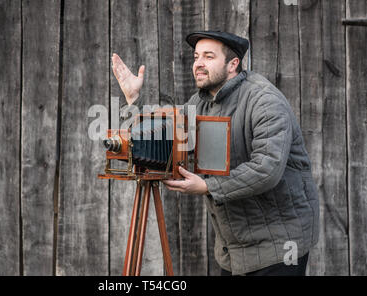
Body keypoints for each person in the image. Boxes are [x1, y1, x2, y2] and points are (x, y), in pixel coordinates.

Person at [111, 30, 319, 276]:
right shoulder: (198, 104)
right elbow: (161, 138)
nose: (198, 63)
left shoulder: (265, 101)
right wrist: (133, 101)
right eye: (196, 56)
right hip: (232, 249)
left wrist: (208, 186)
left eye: (209, 56)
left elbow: (267, 169)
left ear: (233, 64)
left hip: (278, 245)